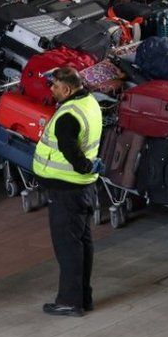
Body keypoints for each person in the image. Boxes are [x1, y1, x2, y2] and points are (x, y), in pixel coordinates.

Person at [32, 67, 105, 317]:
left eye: (54, 86)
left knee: (68, 247)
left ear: (66, 88)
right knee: (82, 243)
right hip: (84, 188)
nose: (51, 90)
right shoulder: (89, 102)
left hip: (67, 189)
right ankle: (83, 297)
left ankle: (70, 302)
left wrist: (84, 166)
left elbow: (70, 150)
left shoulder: (67, 115)